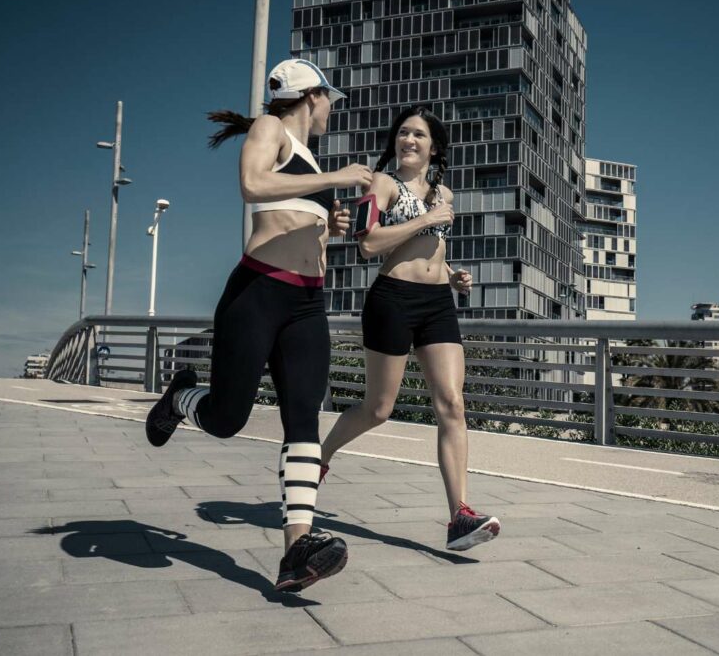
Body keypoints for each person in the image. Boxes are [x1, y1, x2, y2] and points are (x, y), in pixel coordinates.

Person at [143, 58, 372, 592]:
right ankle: (178, 398)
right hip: (258, 293)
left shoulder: (312, 161)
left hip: (308, 304)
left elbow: (296, 216)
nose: (330, 112)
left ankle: (297, 551)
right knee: (227, 420)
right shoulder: (271, 129)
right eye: (327, 101)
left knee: (303, 421)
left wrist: (331, 220)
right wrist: (336, 178)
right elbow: (251, 183)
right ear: (310, 96)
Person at [321, 105, 500, 551]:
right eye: (403, 133)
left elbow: (429, 250)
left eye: (418, 135)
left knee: (452, 404)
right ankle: (319, 458)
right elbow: (367, 246)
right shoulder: (382, 184)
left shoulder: (446, 193)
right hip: (392, 300)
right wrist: (424, 220)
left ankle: (459, 516)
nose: (409, 140)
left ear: (433, 146)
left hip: (438, 302)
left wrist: (453, 273)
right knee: (378, 410)